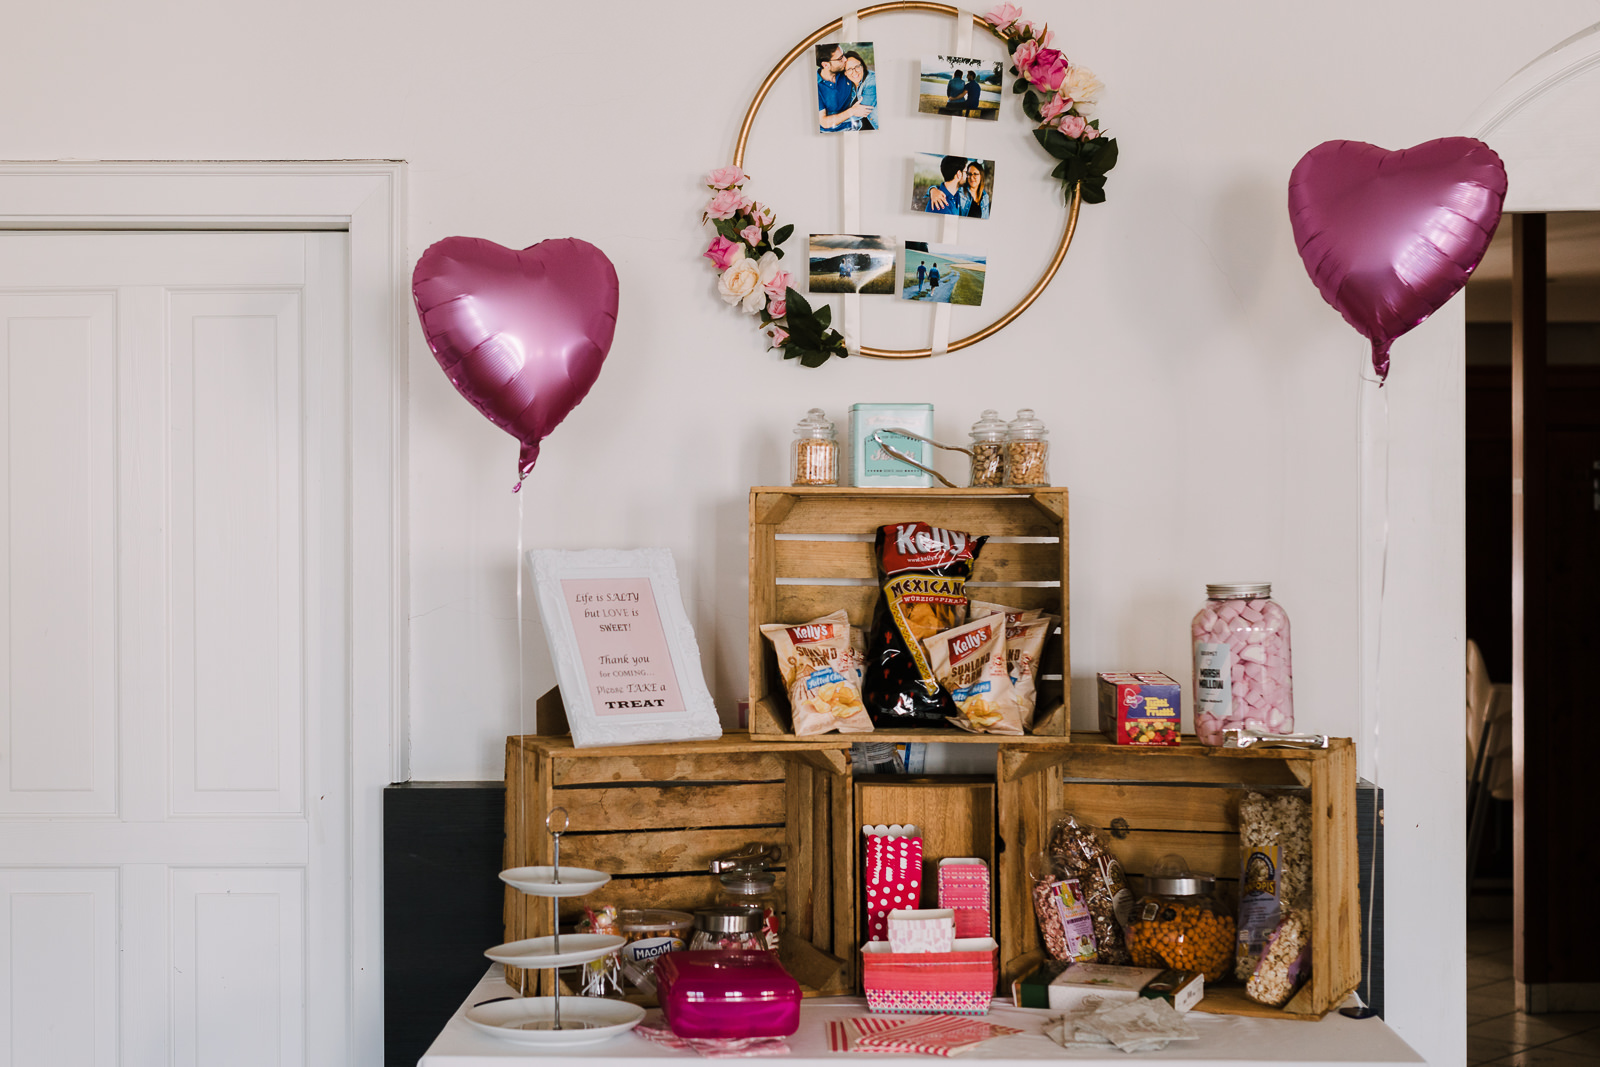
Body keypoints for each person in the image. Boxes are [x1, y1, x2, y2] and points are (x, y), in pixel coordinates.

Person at [817, 44, 871, 132]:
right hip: (832, 133)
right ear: (826, 65)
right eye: (840, 58)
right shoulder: (817, 87)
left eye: (843, 55)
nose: (845, 59)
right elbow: (824, 122)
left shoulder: (845, 71)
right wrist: (852, 111)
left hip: (857, 127)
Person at [842, 51, 877, 131]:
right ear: (845, 73)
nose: (854, 72)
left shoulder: (871, 81)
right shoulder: (850, 85)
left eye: (857, 66)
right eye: (849, 69)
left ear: (862, 66)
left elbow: (863, 111)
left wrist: (832, 120)